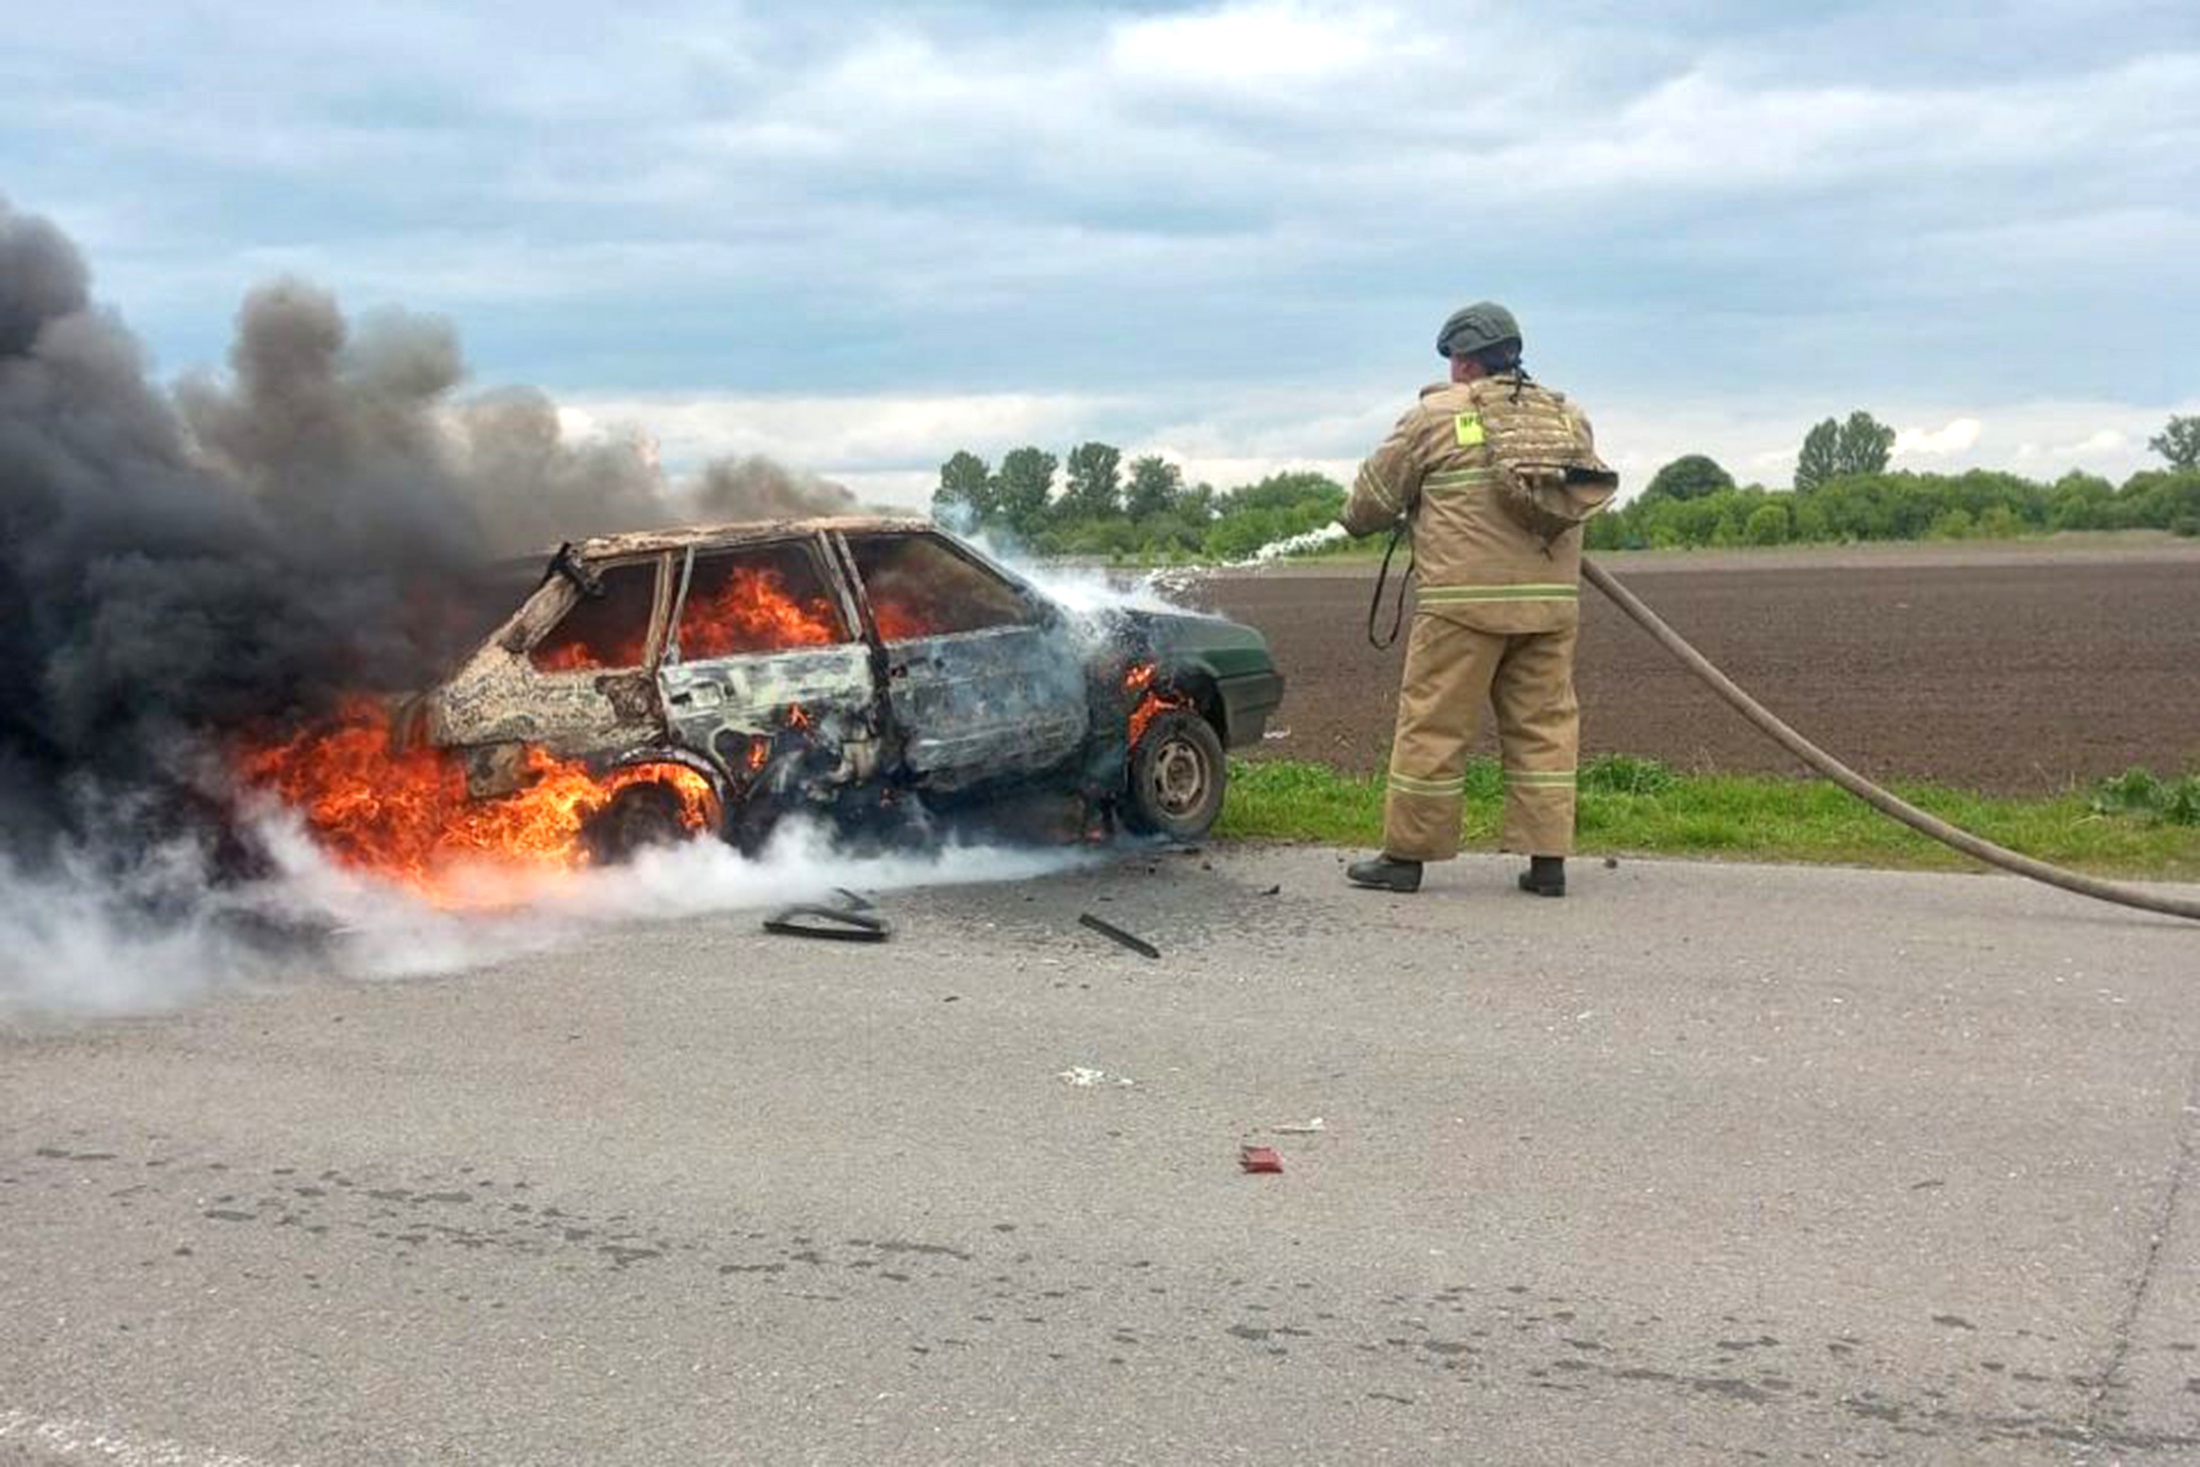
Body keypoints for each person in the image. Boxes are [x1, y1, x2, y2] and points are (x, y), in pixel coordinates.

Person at [1338, 301, 1607, 897]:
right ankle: (1548, 865)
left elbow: (1370, 501)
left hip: (1462, 608)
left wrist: (1358, 518)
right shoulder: (1568, 416)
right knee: (1545, 728)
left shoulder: (1434, 416)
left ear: (1462, 362)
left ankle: (1405, 860)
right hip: (1549, 606)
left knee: (1434, 727)